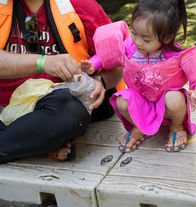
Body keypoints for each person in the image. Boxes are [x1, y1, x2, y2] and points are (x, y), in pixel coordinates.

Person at [0, 0, 123, 163]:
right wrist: (43, 62)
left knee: (71, 113)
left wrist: (101, 81)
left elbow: (119, 62)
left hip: (56, 103)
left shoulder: (82, 5)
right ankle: (41, 142)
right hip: (4, 105)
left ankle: (32, 140)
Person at [81, 0, 196, 153]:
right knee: (121, 100)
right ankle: (139, 127)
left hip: (167, 106)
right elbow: (105, 56)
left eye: (146, 39)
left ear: (167, 38)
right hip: (140, 102)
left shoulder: (175, 54)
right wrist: (92, 65)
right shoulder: (129, 47)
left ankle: (177, 127)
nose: (137, 42)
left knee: (175, 98)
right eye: (134, 32)